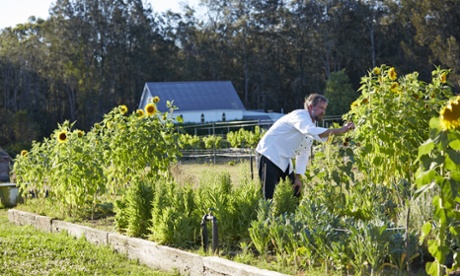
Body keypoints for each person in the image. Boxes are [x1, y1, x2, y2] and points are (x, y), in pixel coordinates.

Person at [255, 93, 355, 199]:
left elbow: (304, 152)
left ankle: (291, 215)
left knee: (295, 192)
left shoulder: (311, 124)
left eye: (324, 109)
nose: (323, 112)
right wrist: (340, 130)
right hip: (269, 153)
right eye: (321, 108)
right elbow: (309, 131)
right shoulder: (299, 116)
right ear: (311, 106)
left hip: (284, 159)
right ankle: (266, 215)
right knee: (268, 196)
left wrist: (298, 177)